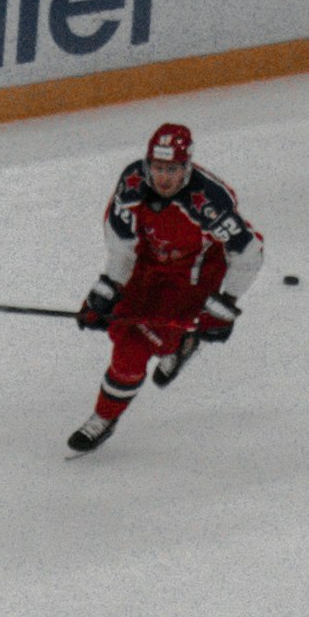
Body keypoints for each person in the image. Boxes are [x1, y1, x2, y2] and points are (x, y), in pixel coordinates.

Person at [67, 128, 252, 457]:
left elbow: (249, 252)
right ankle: (178, 345)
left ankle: (107, 413)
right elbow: (122, 247)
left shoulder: (207, 201)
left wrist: (224, 306)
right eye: (157, 168)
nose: (163, 178)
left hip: (193, 274)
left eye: (172, 170)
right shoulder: (133, 184)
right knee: (124, 334)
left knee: (138, 347)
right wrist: (107, 290)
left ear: (187, 167)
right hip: (148, 265)